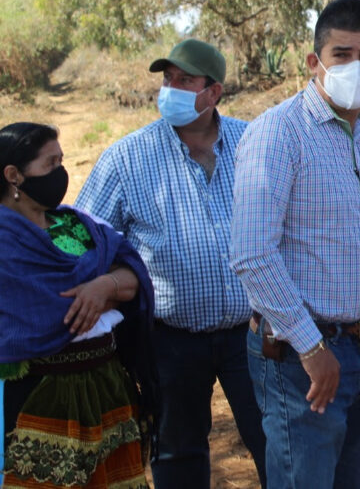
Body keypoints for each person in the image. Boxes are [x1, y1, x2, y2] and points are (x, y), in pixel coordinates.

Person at [230, 0, 360, 489]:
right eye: (341, 55)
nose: (355, 67)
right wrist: (311, 349)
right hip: (301, 361)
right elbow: (252, 256)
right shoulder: (277, 134)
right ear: (315, 62)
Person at [74, 39, 267, 488]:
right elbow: (85, 241)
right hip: (170, 340)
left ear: (214, 92)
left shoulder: (254, 141)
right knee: (177, 453)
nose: (171, 89)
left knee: (275, 440)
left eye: (185, 81)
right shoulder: (127, 157)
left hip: (255, 332)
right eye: (167, 79)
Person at [1, 122, 155, 488]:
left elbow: (134, 272)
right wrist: (105, 288)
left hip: (107, 387)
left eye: (62, 161)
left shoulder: (76, 224)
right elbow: (49, 307)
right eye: (50, 165)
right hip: (40, 395)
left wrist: (104, 286)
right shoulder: (5, 239)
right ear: (14, 175)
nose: (61, 174)